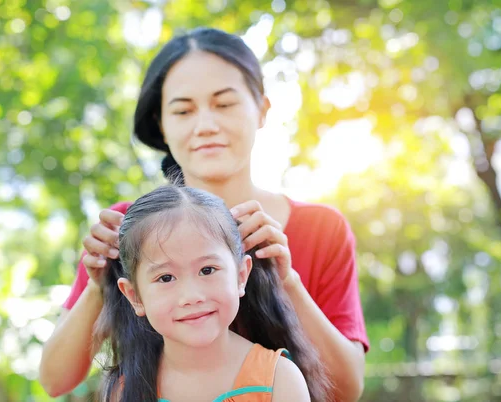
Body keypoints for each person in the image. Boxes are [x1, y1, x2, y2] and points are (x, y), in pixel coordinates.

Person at [39, 27, 368, 401]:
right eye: (183, 110)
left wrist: (288, 280)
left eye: (224, 104)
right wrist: (98, 287)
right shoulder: (125, 230)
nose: (206, 126)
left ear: (261, 109)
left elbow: (347, 390)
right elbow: (55, 381)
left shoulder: (320, 229)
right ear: (162, 123)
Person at [94, 185, 330, 401]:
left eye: (207, 270)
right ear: (135, 296)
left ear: (240, 276)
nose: (192, 296)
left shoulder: (279, 380)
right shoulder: (122, 391)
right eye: (166, 278)